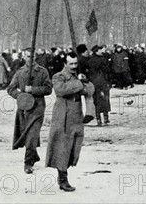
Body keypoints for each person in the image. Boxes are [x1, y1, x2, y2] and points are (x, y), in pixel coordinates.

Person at [45, 52, 95, 192]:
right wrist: (79, 83)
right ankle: (62, 180)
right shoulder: (58, 76)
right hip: (63, 118)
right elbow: (61, 90)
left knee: (74, 147)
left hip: (77, 117)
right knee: (63, 149)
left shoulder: (78, 76)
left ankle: (64, 177)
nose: (74, 66)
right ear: (65, 64)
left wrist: (84, 81)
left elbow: (90, 90)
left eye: (75, 63)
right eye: (71, 64)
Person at [7, 48, 52, 174]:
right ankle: (34, 155)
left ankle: (27, 163)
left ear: (35, 57)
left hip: (37, 108)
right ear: (23, 57)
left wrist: (33, 89)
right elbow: (10, 89)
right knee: (27, 134)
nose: (30, 59)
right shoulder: (20, 72)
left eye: (32, 57)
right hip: (24, 109)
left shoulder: (42, 72)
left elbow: (48, 89)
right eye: (27, 56)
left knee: (32, 135)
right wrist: (20, 96)